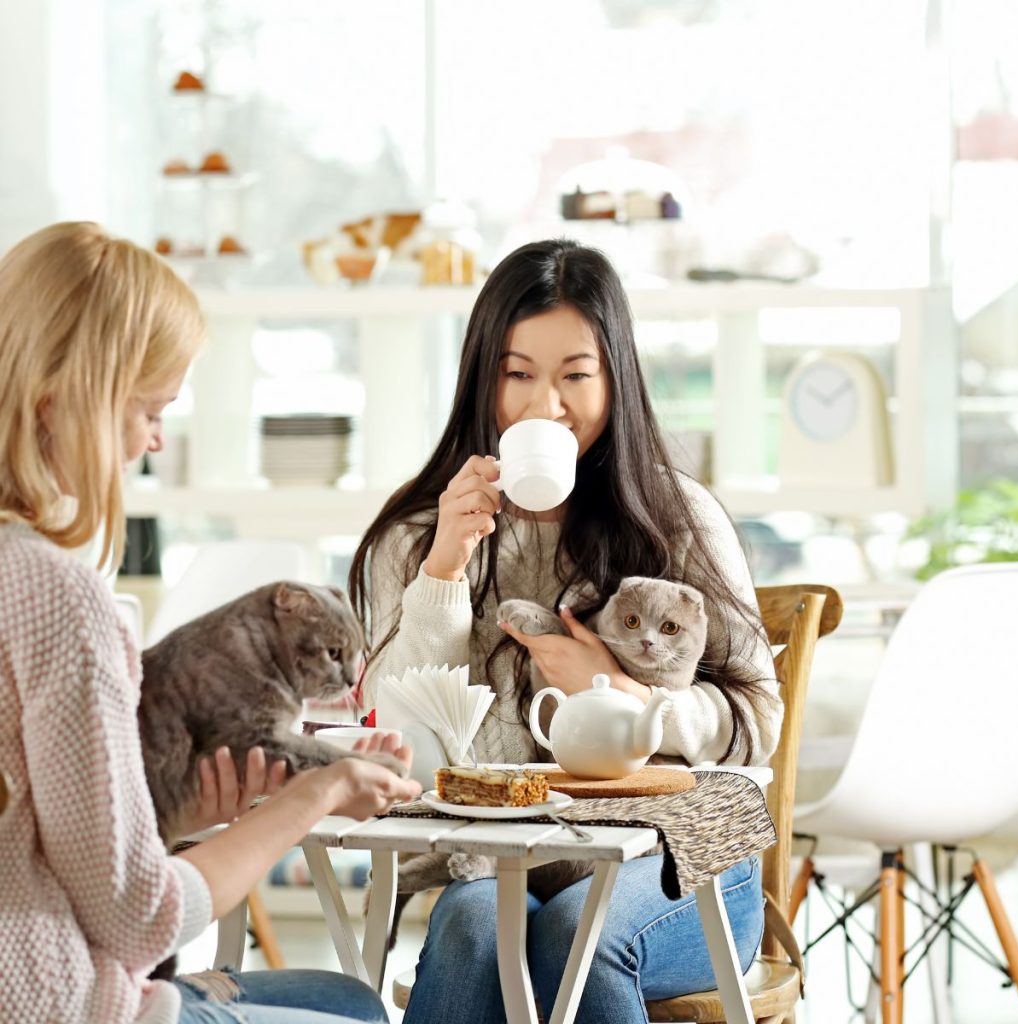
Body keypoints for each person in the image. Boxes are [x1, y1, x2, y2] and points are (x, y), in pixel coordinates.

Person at [350, 238, 782, 1023]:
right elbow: (398, 739)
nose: (544, 406)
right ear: (484, 379)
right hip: (510, 867)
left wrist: (620, 697)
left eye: (575, 376)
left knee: (570, 936)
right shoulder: (416, 537)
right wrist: (444, 573)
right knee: (471, 926)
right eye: (518, 374)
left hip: (686, 865)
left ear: (616, 381)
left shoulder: (675, 518)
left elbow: (759, 718)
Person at [0, 222, 422, 1024]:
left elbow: (41, 845)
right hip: (43, 999)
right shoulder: (59, 598)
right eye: (148, 409)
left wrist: (175, 814)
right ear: (69, 400)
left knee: (343, 998)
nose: (155, 440)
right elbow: (136, 922)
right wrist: (314, 796)